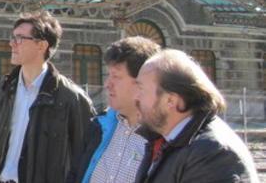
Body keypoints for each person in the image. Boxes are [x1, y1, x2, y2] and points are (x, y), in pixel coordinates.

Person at [0, 11, 95, 183]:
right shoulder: (5, 89)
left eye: (19, 38)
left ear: (41, 46)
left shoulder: (72, 98)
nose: (12, 43)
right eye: (13, 37)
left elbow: (85, 158)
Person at [134, 49, 258, 182]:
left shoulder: (211, 154)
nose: (136, 97)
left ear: (170, 100)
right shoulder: (168, 141)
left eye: (141, 89)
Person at [67, 36, 161, 183]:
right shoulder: (98, 127)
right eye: (109, 75)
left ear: (142, 82)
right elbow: (75, 174)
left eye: (116, 76)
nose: (107, 84)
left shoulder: (163, 140)